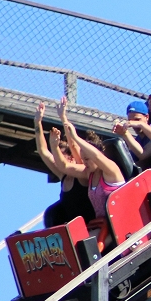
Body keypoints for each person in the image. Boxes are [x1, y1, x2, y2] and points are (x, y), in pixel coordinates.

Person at [53, 98, 125, 251]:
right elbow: (64, 166)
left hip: (119, 221)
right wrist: (54, 145)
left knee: (85, 246)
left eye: (87, 159)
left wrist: (77, 138)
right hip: (100, 225)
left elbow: (97, 157)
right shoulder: (88, 174)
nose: (84, 163)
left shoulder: (111, 170)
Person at [34, 101, 95, 228]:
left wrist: (63, 118)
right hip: (72, 229)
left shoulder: (83, 172)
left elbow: (73, 146)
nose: (56, 159)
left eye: (59, 155)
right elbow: (43, 151)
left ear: (71, 157)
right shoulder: (63, 176)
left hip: (91, 226)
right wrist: (37, 123)